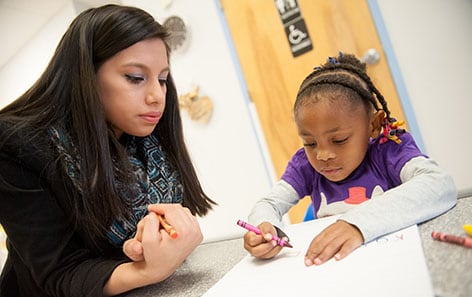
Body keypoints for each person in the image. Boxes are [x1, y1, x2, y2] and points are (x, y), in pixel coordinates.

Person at [0, 4, 215, 297]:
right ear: (86, 75)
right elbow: (61, 272)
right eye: (136, 78)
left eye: (163, 79)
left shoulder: (142, 137)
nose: (156, 96)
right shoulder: (16, 145)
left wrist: (154, 246)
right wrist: (148, 269)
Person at [243, 52, 457, 266]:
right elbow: (269, 203)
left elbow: (439, 183)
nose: (322, 155)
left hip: (392, 262)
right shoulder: (305, 165)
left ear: (373, 125)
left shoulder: (389, 149)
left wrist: (358, 223)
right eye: (310, 143)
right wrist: (265, 227)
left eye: (339, 139)